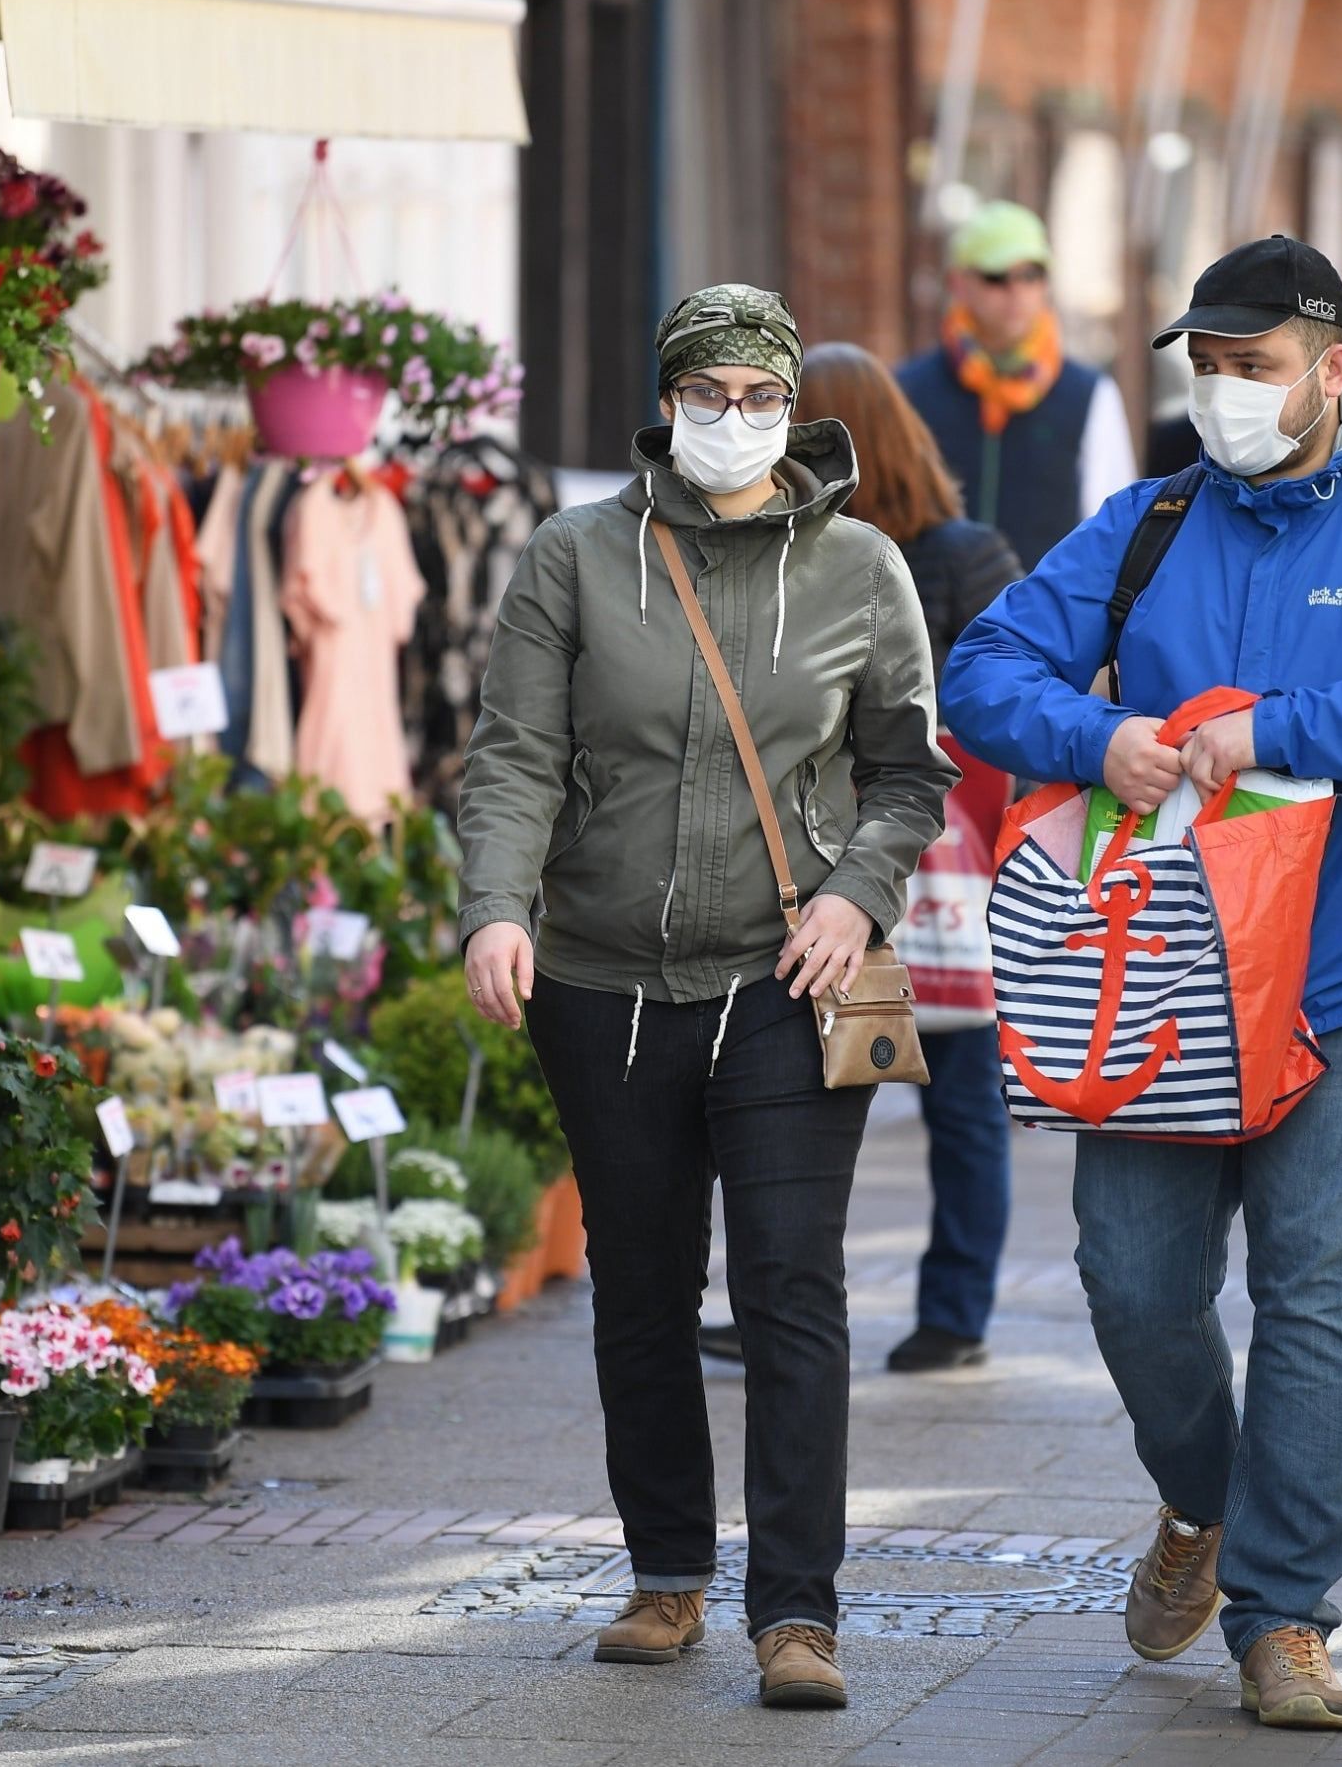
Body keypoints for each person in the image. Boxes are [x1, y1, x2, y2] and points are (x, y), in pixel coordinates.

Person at [941, 236, 1342, 1731]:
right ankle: (1200, 1503)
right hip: (1158, 974)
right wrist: (1098, 742)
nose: (1223, 398)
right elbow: (983, 669)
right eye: (1203, 371)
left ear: (1334, 368)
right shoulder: (1147, 524)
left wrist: (1282, 725)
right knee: (1131, 1284)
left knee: (1317, 1295)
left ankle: (1285, 1620)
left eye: (1253, 369)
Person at [458, 285, 956, 1712]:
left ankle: (797, 1614)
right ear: (666, 402)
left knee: (792, 1288)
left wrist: (860, 889)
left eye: (757, 395)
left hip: (792, 982)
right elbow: (513, 758)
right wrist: (499, 908)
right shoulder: (572, 558)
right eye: (707, 392)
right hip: (605, 983)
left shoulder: (864, 570)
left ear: (793, 410)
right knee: (641, 1290)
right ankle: (666, 1576)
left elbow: (912, 773)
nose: (731, 418)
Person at [693, 342, 1021, 1376]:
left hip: (826, 864)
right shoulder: (966, 553)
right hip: (930, 862)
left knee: (791, 1099)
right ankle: (952, 1311)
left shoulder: (817, 556)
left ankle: (779, 1309)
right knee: (956, 1096)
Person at [897, 200, 1137, 571]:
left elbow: (1114, 530)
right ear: (958, 283)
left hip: (1047, 621)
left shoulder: (1090, 394)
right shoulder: (909, 391)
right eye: (996, 277)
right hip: (935, 621)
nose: (1016, 291)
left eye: (1031, 275)